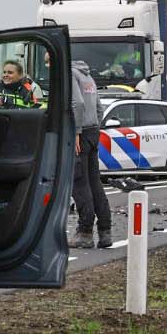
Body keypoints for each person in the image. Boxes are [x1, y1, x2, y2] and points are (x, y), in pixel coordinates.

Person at [69, 59, 112, 249]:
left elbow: (76, 103)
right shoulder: (88, 77)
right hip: (93, 132)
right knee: (95, 182)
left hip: (80, 133)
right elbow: (99, 108)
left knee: (79, 182)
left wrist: (77, 131)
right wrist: (95, 127)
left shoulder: (71, 74)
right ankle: (105, 231)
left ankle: (85, 232)